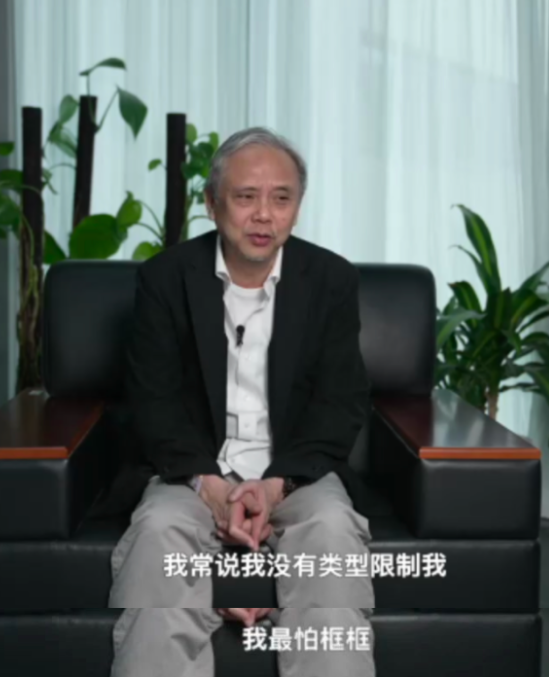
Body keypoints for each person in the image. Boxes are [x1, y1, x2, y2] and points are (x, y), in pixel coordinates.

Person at [107, 127, 376, 677]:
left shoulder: (330, 280)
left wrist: (274, 487)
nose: (264, 215)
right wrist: (211, 488)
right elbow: (153, 402)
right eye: (246, 196)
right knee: (158, 533)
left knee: (331, 531)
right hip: (191, 474)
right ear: (212, 203)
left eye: (281, 198)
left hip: (297, 474)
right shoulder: (165, 278)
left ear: (297, 207)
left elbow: (339, 402)